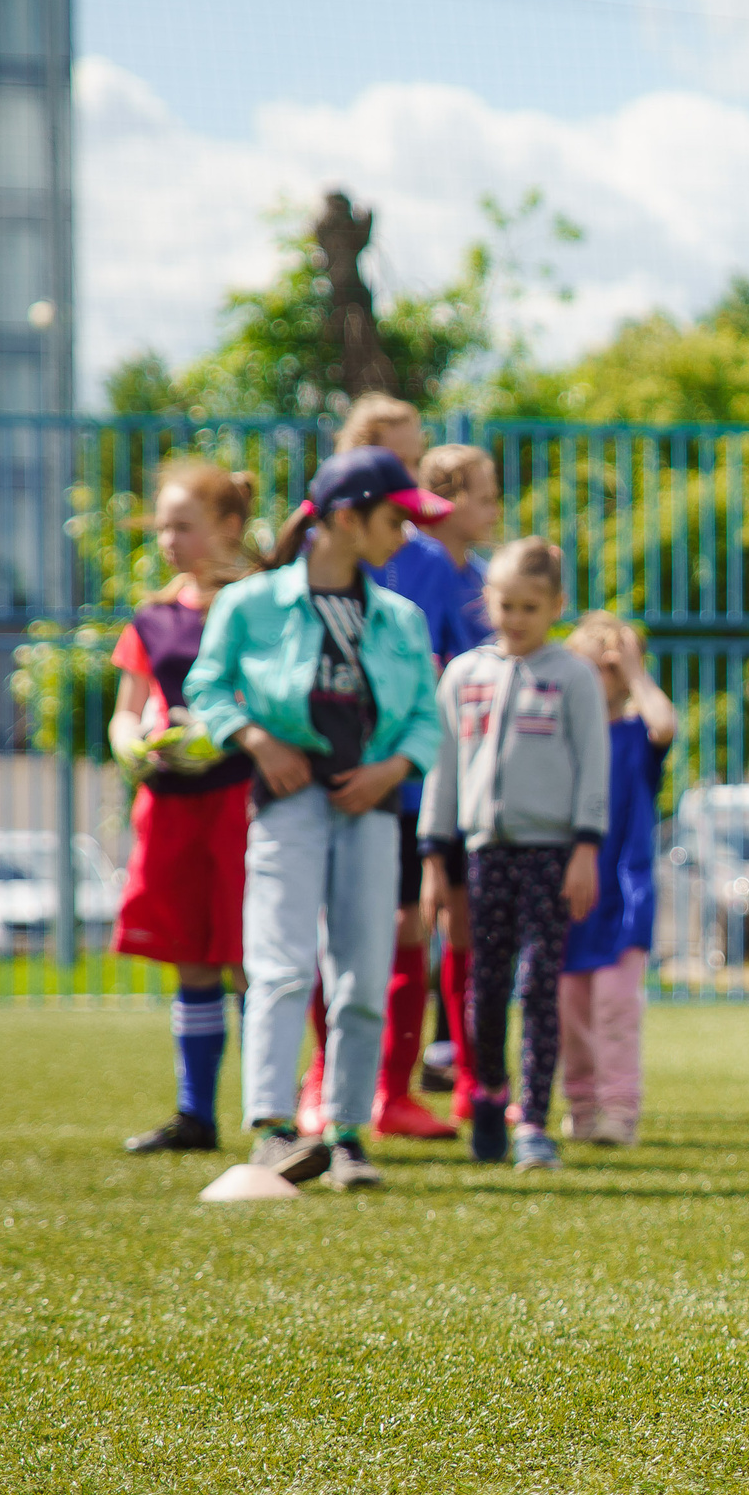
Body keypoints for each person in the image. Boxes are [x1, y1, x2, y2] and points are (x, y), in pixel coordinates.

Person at [185, 448, 450, 1189]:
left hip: (371, 809)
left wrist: (391, 771)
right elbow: (207, 686)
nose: (405, 534)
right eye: (395, 518)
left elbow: (425, 718)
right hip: (288, 806)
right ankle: (272, 1129)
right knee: (280, 963)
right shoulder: (251, 603)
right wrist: (257, 740)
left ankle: (346, 1132)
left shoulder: (399, 616)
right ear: (346, 518)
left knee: (364, 972)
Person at [287, 394, 458, 1141]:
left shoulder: (430, 562)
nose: (414, 476)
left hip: (402, 781)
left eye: (417, 459)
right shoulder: (306, 560)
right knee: (322, 934)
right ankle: (321, 1082)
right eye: (402, 460)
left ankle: (391, 1090)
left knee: (406, 927)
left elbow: (452, 661)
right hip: (322, 782)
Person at [418, 539, 606, 1172]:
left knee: (539, 985)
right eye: (506, 605)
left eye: (531, 606)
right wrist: (435, 858)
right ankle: (490, 1095)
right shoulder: (463, 676)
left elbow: (594, 767)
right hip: (483, 853)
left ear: (556, 605)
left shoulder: (573, 676)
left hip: (551, 853)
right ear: (487, 603)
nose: (517, 618)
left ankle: (534, 1122)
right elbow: (444, 770)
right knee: (485, 985)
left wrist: (586, 847)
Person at [111, 459, 260, 1154]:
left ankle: (269, 1111)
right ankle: (195, 1114)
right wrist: (134, 744)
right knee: (192, 958)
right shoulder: (152, 617)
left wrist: (217, 733)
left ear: (228, 526)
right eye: (164, 527)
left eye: (184, 526)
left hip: (240, 802)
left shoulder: (258, 607)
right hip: (171, 805)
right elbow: (129, 708)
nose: (170, 540)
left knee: (249, 955)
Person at [382, 445, 501, 1121]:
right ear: (446, 501)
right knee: (403, 924)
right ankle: (386, 1080)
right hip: (407, 781)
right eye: (485, 497)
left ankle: (463, 1069)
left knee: (467, 926)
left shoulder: (484, 579)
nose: (495, 510)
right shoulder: (407, 568)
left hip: (469, 779)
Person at [554, 611, 676, 1147]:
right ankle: (580, 1106)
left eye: (609, 668)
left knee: (615, 1007)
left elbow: (664, 725)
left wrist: (633, 671)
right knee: (570, 1009)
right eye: (590, 666)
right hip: (569, 892)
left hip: (624, 895)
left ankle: (619, 1110)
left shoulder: (635, 736)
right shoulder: (562, 737)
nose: (598, 678)